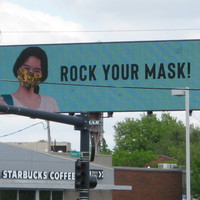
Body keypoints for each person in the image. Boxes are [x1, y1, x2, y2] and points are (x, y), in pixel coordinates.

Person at [0, 47, 59, 112]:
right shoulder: (4, 101)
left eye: (36, 71)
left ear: (42, 74)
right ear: (18, 69)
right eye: (26, 68)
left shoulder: (50, 103)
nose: (30, 73)